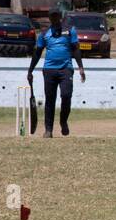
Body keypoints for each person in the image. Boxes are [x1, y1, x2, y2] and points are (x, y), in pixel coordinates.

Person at [27, 8, 86, 138]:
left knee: (66, 95)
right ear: (49, 18)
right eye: (52, 17)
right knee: (50, 100)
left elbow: (76, 49)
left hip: (66, 69)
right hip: (49, 70)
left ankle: (63, 121)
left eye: (56, 16)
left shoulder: (70, 30)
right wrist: (30, 70)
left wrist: (81, 67)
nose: (54, 18)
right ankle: (48, 130)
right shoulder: (44, 33)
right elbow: (37, 53)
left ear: (60, 17)